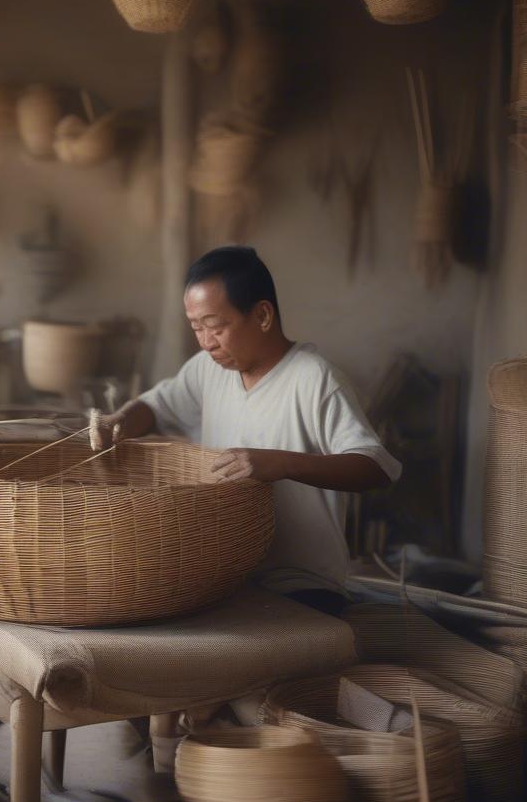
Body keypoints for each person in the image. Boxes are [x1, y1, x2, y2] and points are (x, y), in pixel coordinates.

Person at [95, 246, 401, 615]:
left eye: (216, 326)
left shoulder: (313, 378)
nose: (206, 341)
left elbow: (376, 468)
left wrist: (282, 464)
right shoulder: (207, 370)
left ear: (262, 315)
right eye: (196, 327)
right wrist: (121, 422)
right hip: (220, 575)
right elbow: (155, 406)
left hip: (299, 584)